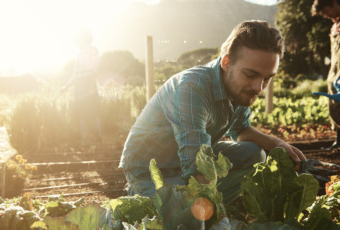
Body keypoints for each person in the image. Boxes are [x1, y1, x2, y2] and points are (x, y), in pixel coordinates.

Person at [119, 20, 306, 204]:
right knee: (176, 223)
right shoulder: (192, 88)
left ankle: (199, 206)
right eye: (250, 75)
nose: (258, 87)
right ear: (226, 62)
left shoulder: (239, 89)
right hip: (152, 170)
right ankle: (139, 195)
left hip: (188, 160)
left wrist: (278, 144)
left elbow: (241, 131)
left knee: (255, 154)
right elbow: (196, 165)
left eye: (267, 78)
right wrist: (210, 207)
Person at [62, 28, 102, 146]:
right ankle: (86, 141)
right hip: (79, 86)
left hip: (88, 84)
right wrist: (66, 86)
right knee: (82, 114)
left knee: (93, 113)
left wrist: (90, 87)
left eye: (79, 40)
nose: (78, 43)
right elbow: (76, 74)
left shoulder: (91, 50)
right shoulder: (80, 53)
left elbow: (93, 70)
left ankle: (98, 140)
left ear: (83, 39)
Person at [311, 0, 340, 149]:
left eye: (325, 11)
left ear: (333, 3)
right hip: (334, 71)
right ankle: (338, 140)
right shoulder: (334, 26)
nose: (326, 15)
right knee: (334, 105)